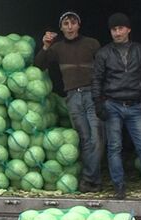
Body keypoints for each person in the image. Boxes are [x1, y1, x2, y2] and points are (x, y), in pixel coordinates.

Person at [91, 12, 141, 200]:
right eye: (114, 29)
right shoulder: (104, 53)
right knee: (114, 147)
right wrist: (98, 103)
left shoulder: (140, 50)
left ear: (128, 29)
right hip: (112, 104)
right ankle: (119, 187)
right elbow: (97, 80)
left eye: (120, 28)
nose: (117, 32)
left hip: (135, 105)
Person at [34, 11, 104, 193]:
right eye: (66, 24)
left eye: (73, 23)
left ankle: (90, 179)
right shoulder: (58, 49)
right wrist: (46, 46)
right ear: (61, 28)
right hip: (73, 97)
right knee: (84, 139)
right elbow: (38, 66)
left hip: (92, 95)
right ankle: (91, 180)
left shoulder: (92, 44)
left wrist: (102, 95)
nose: (70, 27)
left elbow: (105, 67)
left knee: (96, 138)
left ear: (79, 25)